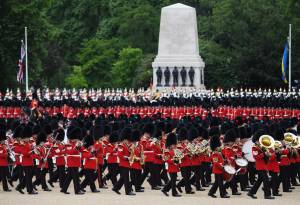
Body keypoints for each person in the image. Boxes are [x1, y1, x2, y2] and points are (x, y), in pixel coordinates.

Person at [247, 130, 274, 199]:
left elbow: (266, 156)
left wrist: (268, 154)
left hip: (263, 166)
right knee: (266, 180)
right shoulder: (254, 147)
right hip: (259, 166)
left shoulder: (262, 147)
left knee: (259, 180)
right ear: (257, 140)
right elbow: (256, 157)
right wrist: (264, 154)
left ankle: (251, 192)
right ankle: (267, 195)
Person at [60, 126, 85, 195]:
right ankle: (77, 191)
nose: (77, 139)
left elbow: (83, 150)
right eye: (76, 138)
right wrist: (76, 146)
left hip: (76, 162)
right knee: (76, 177)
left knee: (69, 177)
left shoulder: (77, 143)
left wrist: (82, 146)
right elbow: (70, 152)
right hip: (71, 162)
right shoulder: (68, 144)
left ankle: (64, 189)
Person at [112, 127, 135, 195]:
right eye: (127, 139)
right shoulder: (121, 145)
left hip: (126, 163)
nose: (128, 141)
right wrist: (127, 158)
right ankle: (128, 191)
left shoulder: (126, 145)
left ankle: (115, 188)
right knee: (126, 178)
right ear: (124, 138)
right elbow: (119, 155)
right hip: (123, 163)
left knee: (123, 178)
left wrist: (131, 151)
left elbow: (128, 153)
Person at [161, 132, 181, 197]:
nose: (174, 145)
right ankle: (174, 193)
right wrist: (174, 160)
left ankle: (165, 189)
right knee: (173, 180)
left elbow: (178, 158)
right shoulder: (167, 151)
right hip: (171, 167)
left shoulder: (175, 150)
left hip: (175, 167)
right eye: (173, 144)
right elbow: (167, 160)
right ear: (170, 145)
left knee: (173, 179)